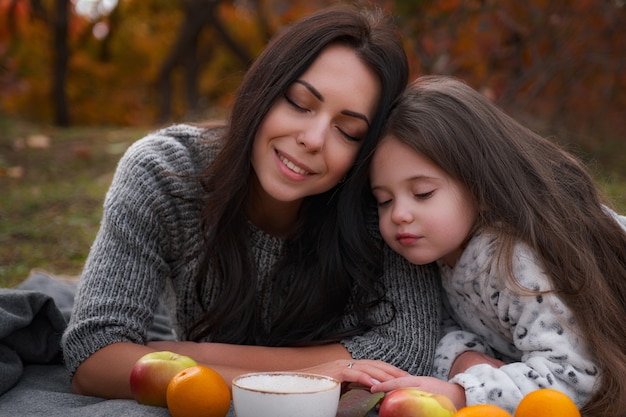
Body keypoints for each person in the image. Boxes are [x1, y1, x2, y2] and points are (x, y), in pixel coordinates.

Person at [61, 6, 442, 400]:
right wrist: (312, 375)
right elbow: (94, 356)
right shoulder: (165, 174)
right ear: (263, 88)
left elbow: (404, 351)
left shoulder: (380, 202)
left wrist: (182, 355)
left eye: (347, 130)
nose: (313, 139)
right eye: (299, 102)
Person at [367, 75, 626, 417]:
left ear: (481, 187)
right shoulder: (442, 254)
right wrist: (463, 356)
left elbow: (574, 375)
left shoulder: (516, 259)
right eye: (383, 201)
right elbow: (441, 326)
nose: (399, 214)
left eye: (423, 193)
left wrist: (463, 393)